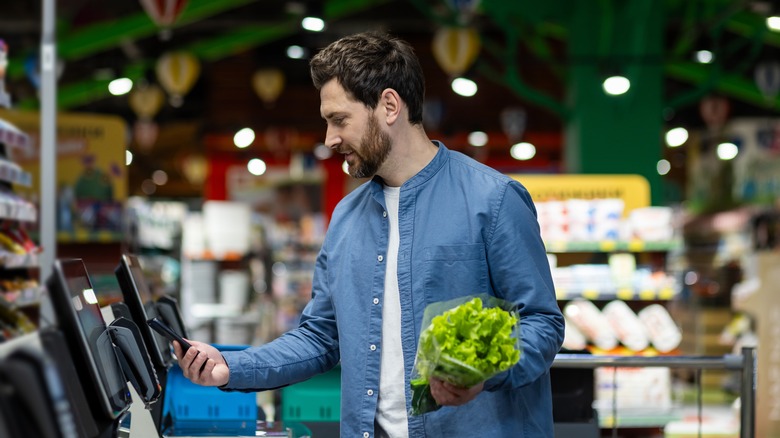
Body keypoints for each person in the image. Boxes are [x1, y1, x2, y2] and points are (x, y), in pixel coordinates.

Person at [175, 31, 565, 437]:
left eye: (339, 120)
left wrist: (479, 369)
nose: (330, 140)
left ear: (389, 106)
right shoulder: (346, 217)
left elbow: (541, 323)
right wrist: (230, 366)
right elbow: (322, 336)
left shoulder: (493, 199)